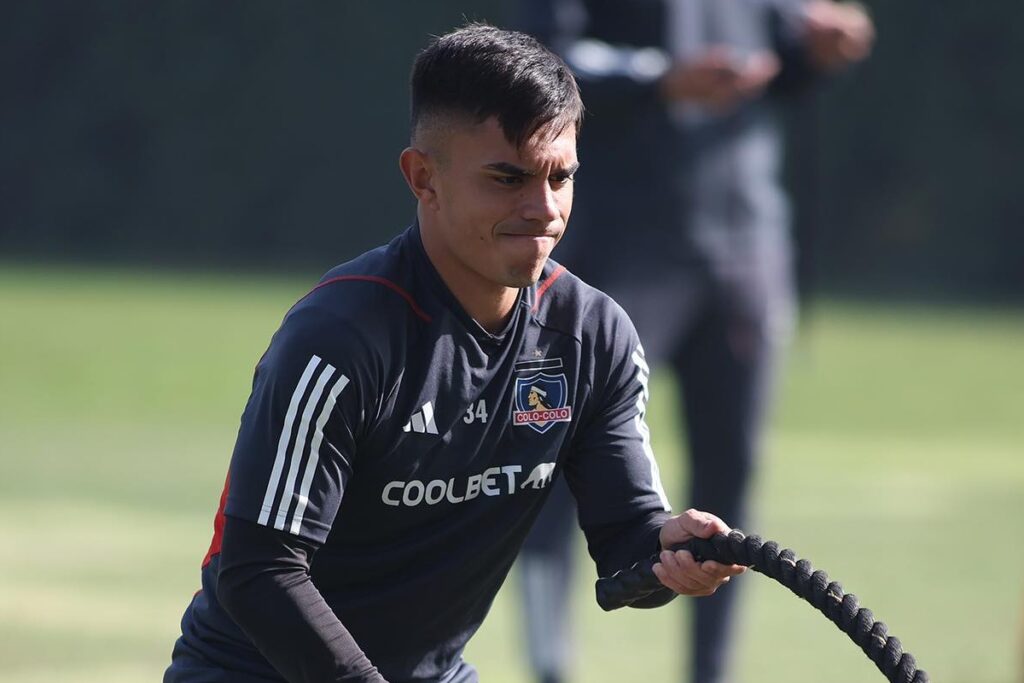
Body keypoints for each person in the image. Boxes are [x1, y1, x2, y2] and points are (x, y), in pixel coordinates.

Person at [164, 23, 747, 683]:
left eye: (561, 176)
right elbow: (259, 570)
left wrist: (668, 553)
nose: (544, 208)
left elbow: (628, 546)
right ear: (423, 177)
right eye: (508, 178)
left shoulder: (591, 337)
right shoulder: (340, 338)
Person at [515, 2, 874, 683]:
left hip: (744, 244)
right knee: (559, 459)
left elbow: (770, 64)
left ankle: (712, 674)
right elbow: (535, 62)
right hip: (617, 244)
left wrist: (814, 53)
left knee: (728, 480)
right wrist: (659, 78)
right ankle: (548, 666)